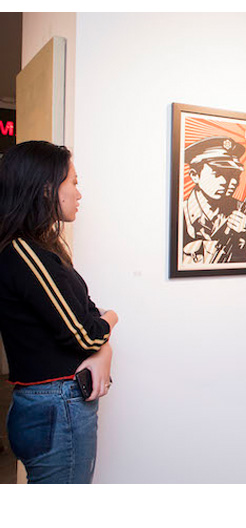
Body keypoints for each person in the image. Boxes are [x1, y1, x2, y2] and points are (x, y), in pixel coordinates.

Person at [0, 141, 118, 483]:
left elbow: (84, 314)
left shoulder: (39, 248)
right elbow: (86, 332)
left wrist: (102, 345)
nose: (79, 193)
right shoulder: (25, 254)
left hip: (52, 405)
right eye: (74, 181)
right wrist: (112, 321)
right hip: (57, 407)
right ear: (48, 188)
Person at [181, 136, 246, 265]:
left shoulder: (238, 210)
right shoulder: (180, 214)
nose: (228, 182)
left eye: (233, 175)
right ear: (195, 175)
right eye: (218, 173)